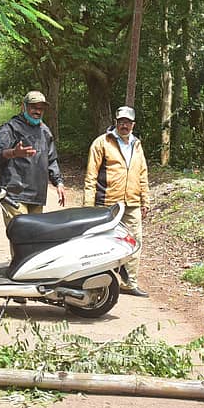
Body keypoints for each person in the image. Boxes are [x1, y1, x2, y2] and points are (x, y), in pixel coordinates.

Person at [83, 106, 151, 298]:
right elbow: (91, 176)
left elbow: (143, 174)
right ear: (115, 122)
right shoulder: (102, 143)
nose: (124, 125)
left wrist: (145, 200)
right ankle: (93, 279)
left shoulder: (137, 145)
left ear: (133, 124)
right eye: (121, 121)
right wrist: (88, 206)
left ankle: (130, 283)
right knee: (100, 242)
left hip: (132, 202)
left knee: (134, 241)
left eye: (128, 122)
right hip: (107, 202)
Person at [0, 91, 66, 226]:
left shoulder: (45, 131)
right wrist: (13, 153)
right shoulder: (10, 128)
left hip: (37, 197)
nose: (38, 111)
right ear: (23, 107)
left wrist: (58, 182)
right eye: (34, 107)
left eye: (41, 108)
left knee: (33, 239)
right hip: (14, 195)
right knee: (20, 237)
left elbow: (51, 159)